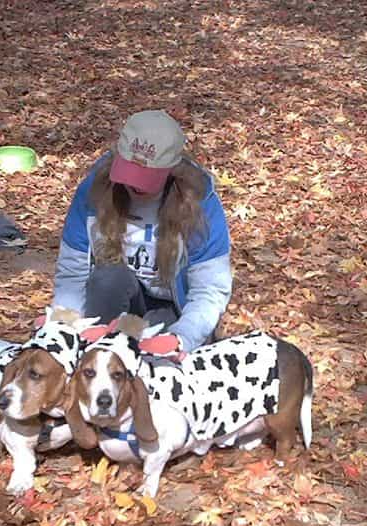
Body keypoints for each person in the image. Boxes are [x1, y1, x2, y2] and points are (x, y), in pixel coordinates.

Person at [52, 110, 232, 353]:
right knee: (106, 278)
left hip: (173, 310)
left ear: (172, 170)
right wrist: (63, 323)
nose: (133, 185)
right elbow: (73, 274)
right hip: (119, 296)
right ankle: (96, 354)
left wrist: (182, 338)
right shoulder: (93, 190)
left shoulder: (200, 202)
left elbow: (209, 288)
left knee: (149, 348)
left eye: (147, 177)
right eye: (128, 171)